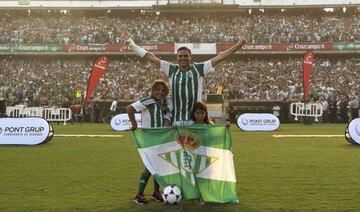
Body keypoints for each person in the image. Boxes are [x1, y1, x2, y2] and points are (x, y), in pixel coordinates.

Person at [125, 34, 246, 126]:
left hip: (195, 121)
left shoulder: (198, 68)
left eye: (186, 56)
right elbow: (150, 56)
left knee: (198, 152)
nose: (183, 58)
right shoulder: (171, 69)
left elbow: (219, 57)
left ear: (190, 57)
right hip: (176, 121)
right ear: (177, 58)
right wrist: (132, 44)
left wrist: (237, 46)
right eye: (180, 56)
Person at [127, 80, 172, 205]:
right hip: (150, 138)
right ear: (152, 90)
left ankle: (156, 193)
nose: (160, 92)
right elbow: (130, 108)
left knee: (157, 165)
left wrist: (164, 109)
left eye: (163, 91)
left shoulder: (159, 103)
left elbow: (161, 113)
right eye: (157, 89)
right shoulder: (149, 100)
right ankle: (139, 194)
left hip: (159, 138)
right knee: (150, 166)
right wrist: (134, 124)